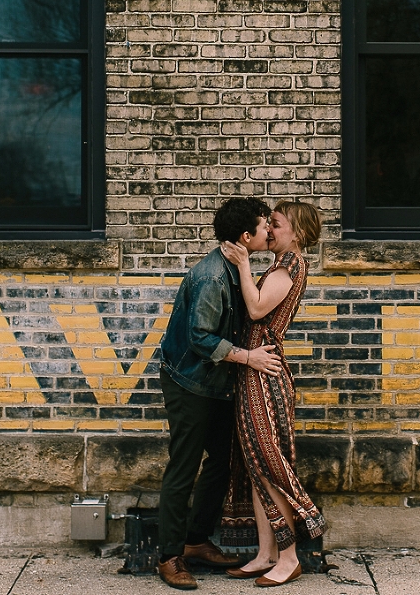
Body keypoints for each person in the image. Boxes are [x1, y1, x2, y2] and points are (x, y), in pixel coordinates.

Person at [156, 197, 286, 590]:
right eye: (265, 225)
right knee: (184, 464)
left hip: (216, 383)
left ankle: (196, 540)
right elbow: (199, 338)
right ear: (246, 237)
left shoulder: (237, 267)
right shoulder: (212, 276)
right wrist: (249, 358)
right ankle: (169, 556)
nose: (270, 230)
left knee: (223, 461)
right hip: (190, 381)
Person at [218, 201, 327, 588]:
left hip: (264, 374)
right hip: (254, 370)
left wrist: (244, 264)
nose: (270, 230)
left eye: (276, 225)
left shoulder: (290, 265)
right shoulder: (281, 265)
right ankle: (266, 553)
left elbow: (257, 307)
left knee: (268, 463)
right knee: (256, 466)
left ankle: (289, 556)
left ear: (295, 234)